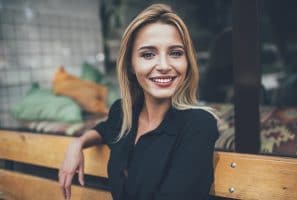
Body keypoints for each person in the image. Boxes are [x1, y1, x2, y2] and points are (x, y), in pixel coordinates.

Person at [59, 4, 219, 200]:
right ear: (131, 65)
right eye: (148, 54)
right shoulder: (123, 113)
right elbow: (104, 129)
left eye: (175, 53)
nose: (163, 66)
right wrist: (77, 143)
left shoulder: (198, 125)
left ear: (187, 62)